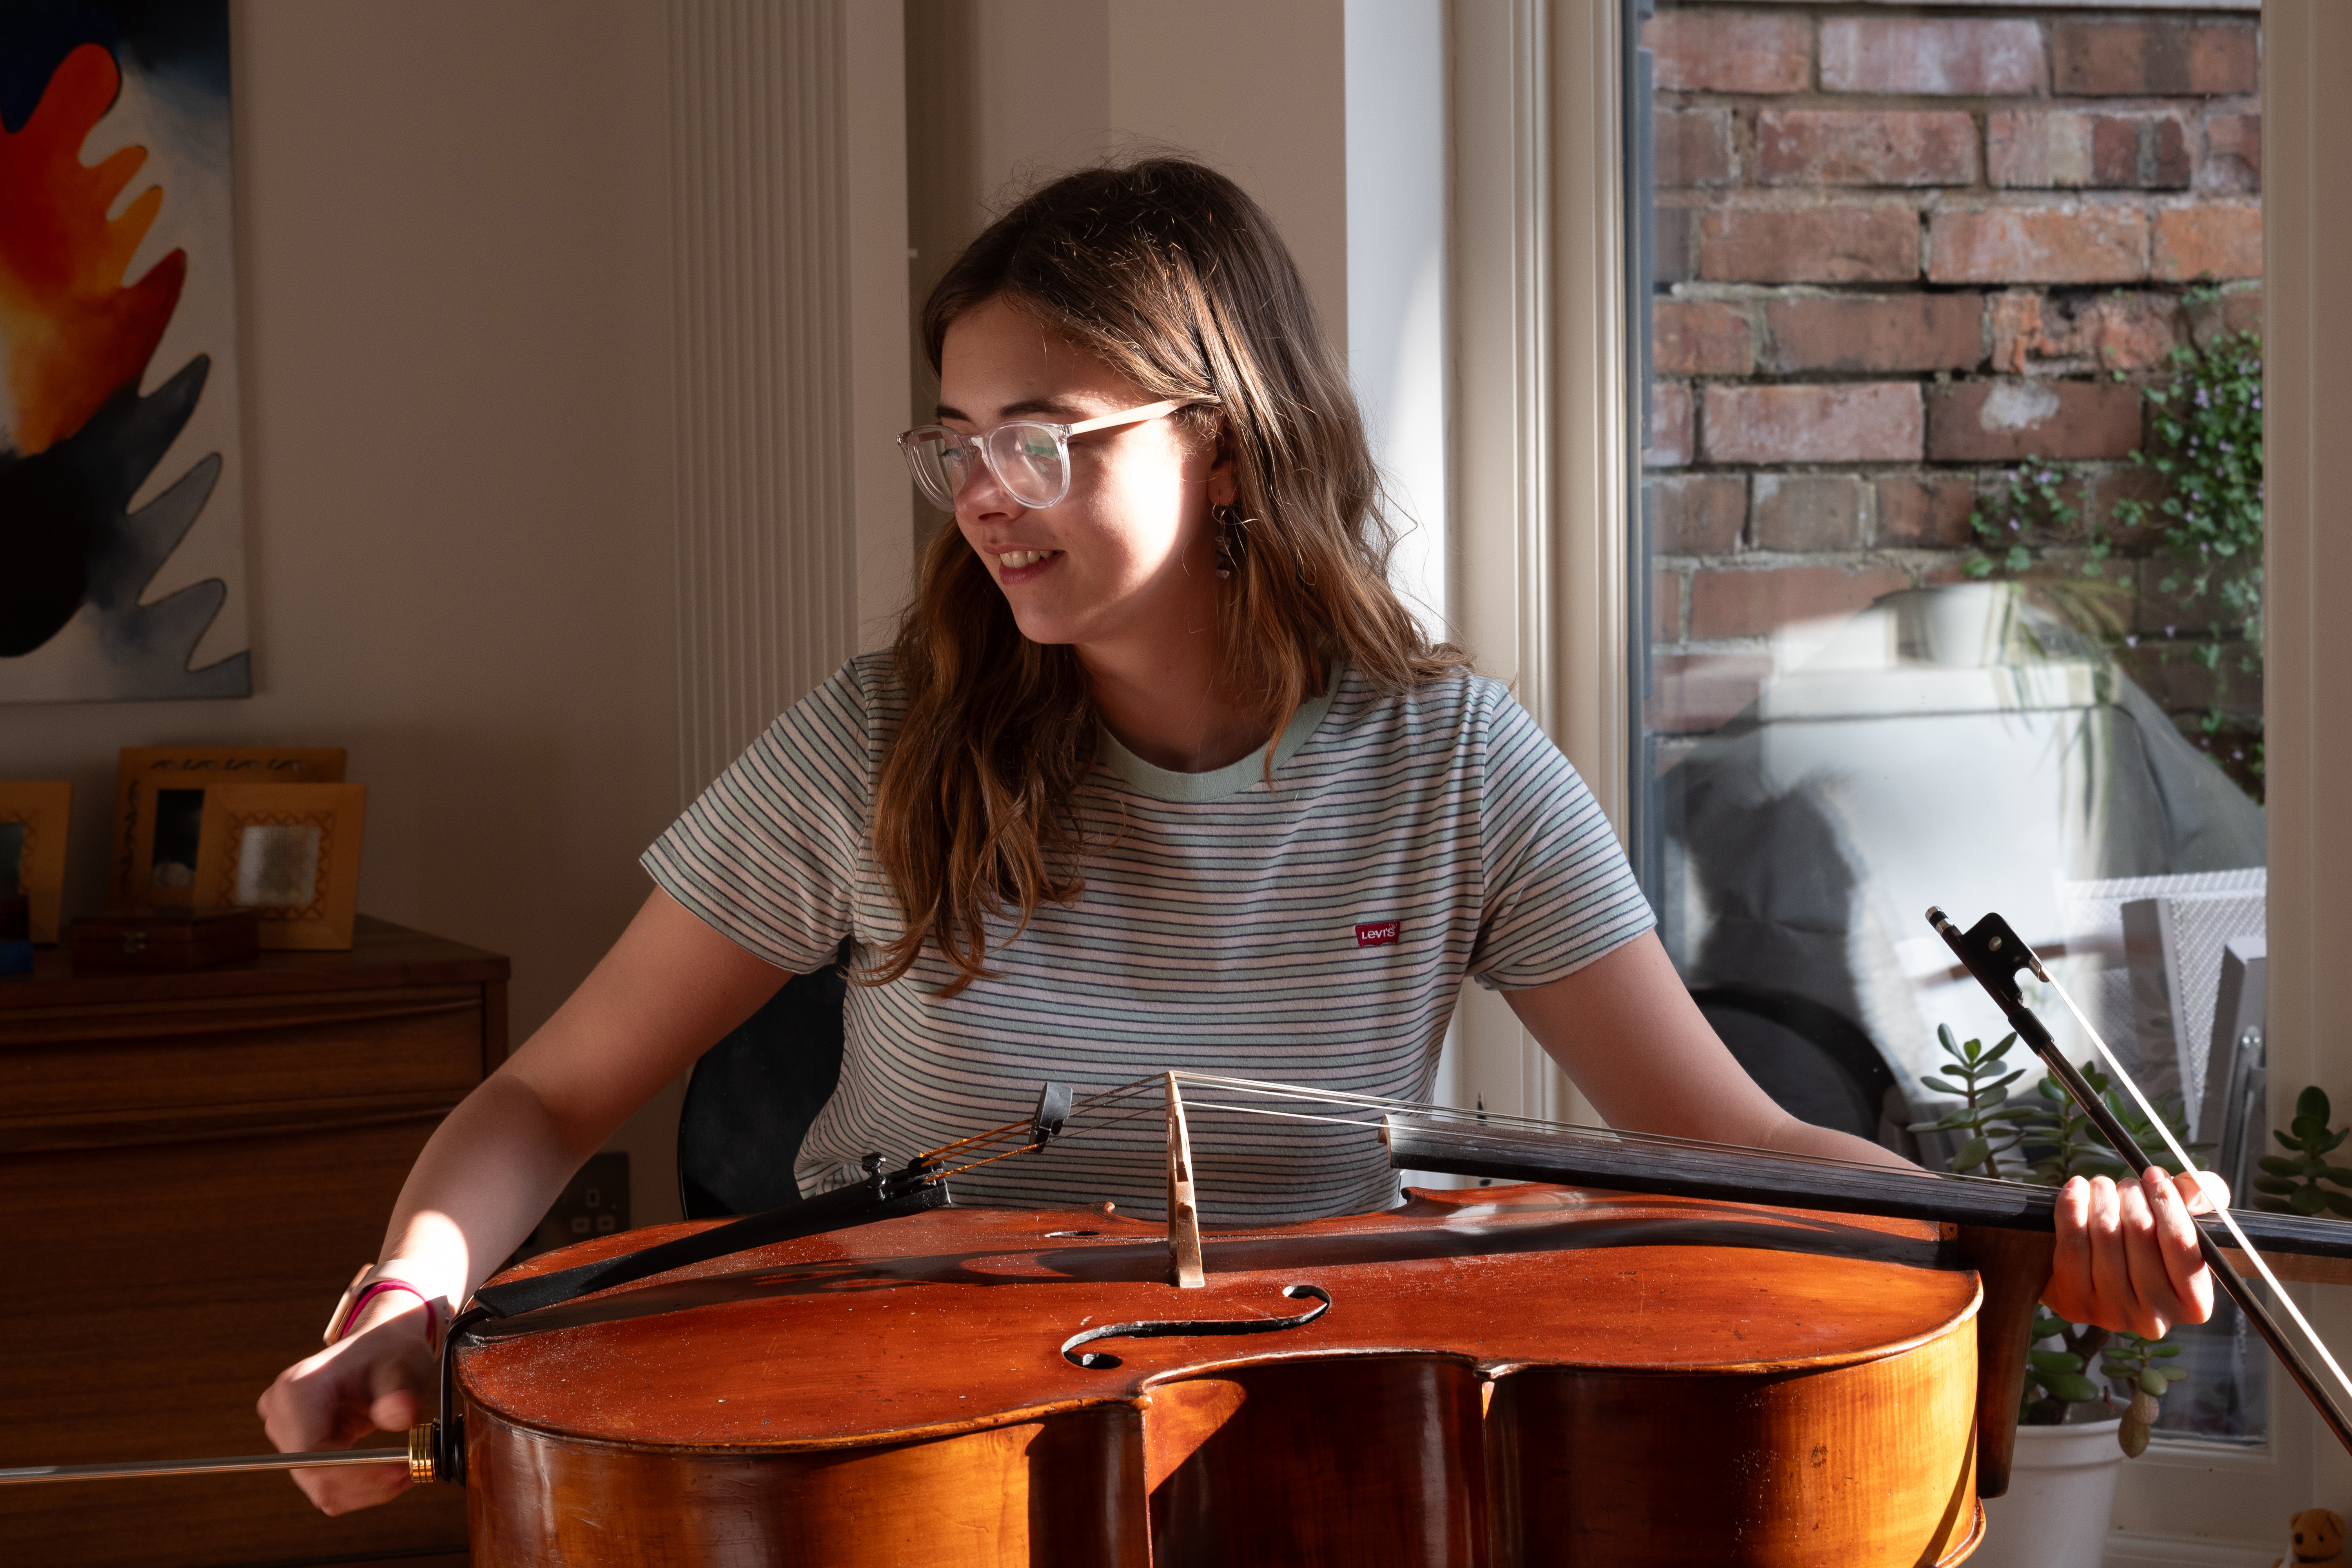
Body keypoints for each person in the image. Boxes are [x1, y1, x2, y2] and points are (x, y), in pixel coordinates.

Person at [259, 158, 2223, 1515]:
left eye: (1044, 432)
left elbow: (1723, 1142)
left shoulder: (1452, 761)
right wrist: (404, 1292)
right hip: (882, 1433)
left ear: (1228, 440)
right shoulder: (878, 743)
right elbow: (546, 1095)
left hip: (1301, 1444)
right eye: (955, 441)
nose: (982, 493)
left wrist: (2034, 1225)